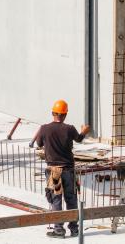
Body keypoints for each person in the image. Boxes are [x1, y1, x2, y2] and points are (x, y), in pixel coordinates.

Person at [35, 99, 90, 239]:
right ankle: (75, 229)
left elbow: (39, 143)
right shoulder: (69, 128)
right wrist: (84, 131)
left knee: (56, 199)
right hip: (68, 170)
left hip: (54, 171)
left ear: (53, 113)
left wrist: (42, 132)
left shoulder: (44, 128)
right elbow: (78, 139)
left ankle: (59, 230)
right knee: (71, 199)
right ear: (65, 115)